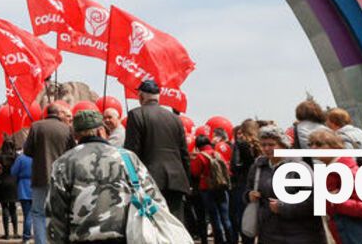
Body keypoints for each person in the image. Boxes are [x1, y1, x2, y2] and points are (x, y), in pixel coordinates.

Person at [46, 110, 166, 242]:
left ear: (75, 135)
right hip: (127, 238)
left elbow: (54, 213)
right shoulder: (127, 158)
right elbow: (154, 198)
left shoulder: (63, 163)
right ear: (101, 131)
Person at [244, 125, 325, 243]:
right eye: (263, 145)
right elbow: (248, 190)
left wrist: (284, 208)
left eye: (271, 144)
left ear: (283, 145)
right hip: (268, 234)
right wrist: (249, 196)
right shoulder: (258, 167)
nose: (267, 148)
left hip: (300, 235)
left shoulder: (300, 167)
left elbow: (315, 202)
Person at [308, 129, 362, 244]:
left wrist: (337, 202)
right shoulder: (331, 172)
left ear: (335, 146)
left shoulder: (349, 172)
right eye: (310, 144)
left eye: (319, 144)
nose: (313, 148)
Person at [124, 79, 190, 221]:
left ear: (141, 96)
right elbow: (184, 153)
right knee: (176, 225)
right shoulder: (175, 118)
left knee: (155, 226)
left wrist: (130, 182)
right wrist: (187, 180)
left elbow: (132, 152)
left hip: (150, 181)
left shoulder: (136, 115)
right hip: (177, 181)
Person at [23, 102, 75, 244]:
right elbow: (73, 152)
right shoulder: (67, 129)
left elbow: (27, 151)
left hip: (40, 176)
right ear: (58, 114)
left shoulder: (36, 126)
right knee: (59, 213)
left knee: (38, 212)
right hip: (61, 178)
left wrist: (39, 154)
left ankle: (41, 241)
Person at [190, 135, 233, 244]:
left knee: (215, 217)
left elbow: (195, 172)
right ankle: (231, 239)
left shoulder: (200, 156)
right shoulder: (217, 154)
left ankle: (219, 240)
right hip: (221, 187)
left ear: (198, 146)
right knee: (225, 217)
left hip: (207, 189)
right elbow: (227, 169)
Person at [229, 120, 262, 244]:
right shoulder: (261, 145)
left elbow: (235, 165)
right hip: (259, 184)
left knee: (243, 219)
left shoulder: (240, 144)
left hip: (242, 184)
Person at [0, 139, 19, 240]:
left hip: (3, 183)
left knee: (4, 207)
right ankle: (15, 232)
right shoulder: (16, 157)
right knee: (13, 208)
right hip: (14, 183)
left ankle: (7, 234)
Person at [11, 151, 33, 244]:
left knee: (27, 215)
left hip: (23, 186)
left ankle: (26, 237)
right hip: (37, 186)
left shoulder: (21, 158)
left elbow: (13, 172)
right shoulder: (39, 156)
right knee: (38, 215)